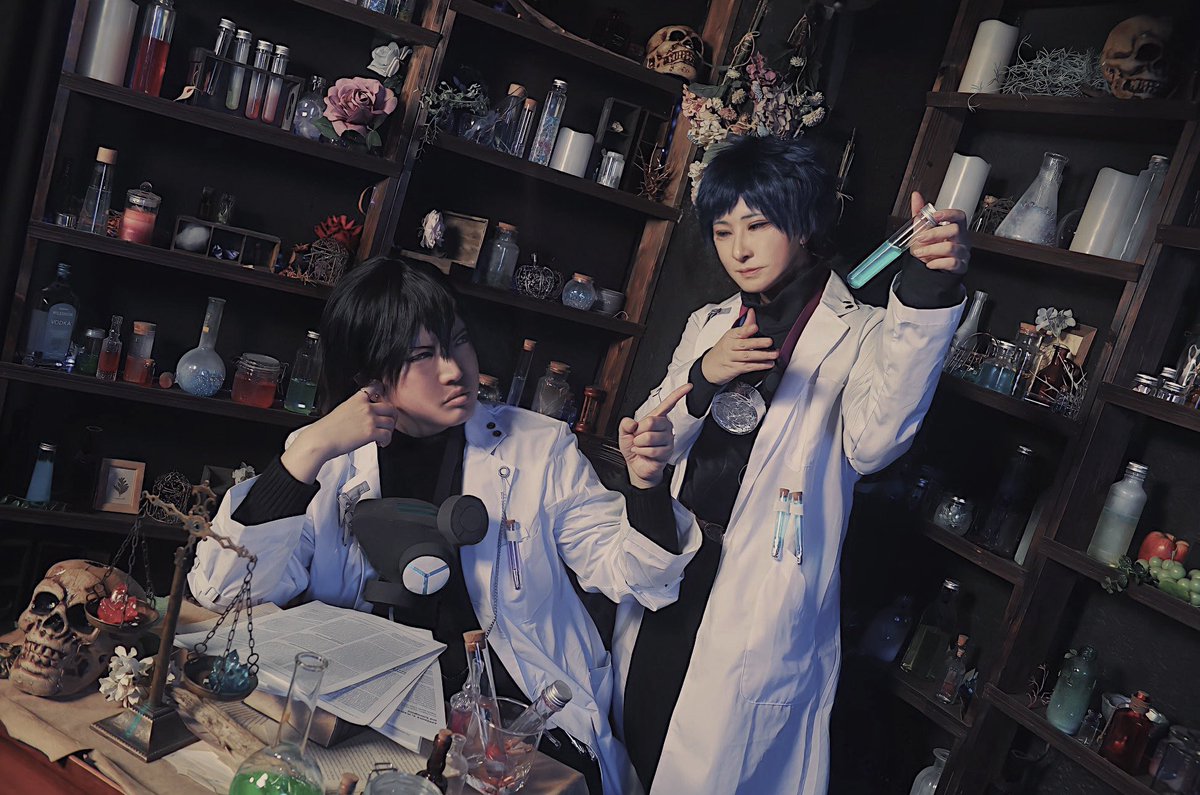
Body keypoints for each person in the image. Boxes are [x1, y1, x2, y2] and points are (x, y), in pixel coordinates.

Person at [188, 258, 699, 795]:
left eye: (458, 342)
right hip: (370, 708)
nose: (456, 371)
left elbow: (641, 577)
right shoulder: (332, 458)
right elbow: (225, 595)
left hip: (514, 715)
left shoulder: (537, 447)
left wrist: (646, 487)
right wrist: (306, 452)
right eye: (422, 356)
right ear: (368, 376)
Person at [614, 135, 970, 794]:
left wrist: (928, 287)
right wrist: (703, 376)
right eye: (723, 231)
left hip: (763, 588)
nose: (739, 249)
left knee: (715, 771)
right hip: (674, 565)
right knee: (636, 740)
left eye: (757, 225)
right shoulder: (709, 322)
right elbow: (649, 436)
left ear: (804, 224)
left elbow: (875, 443)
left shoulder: (861, 330)